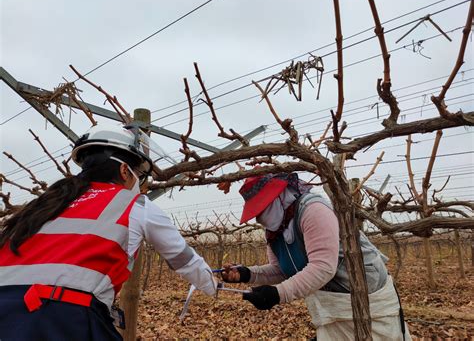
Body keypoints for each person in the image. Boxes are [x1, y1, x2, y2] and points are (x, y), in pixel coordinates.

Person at [0, 124, 216, 340]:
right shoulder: (134, 204)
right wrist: (214, 285)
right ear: (124, 170)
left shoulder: (44, 205)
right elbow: (183, 259)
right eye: (138, 175)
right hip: (63, 320)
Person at [222, 172, 411, 340]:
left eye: (262, 209)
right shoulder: (274, 231)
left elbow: (323, 267)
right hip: (331, 302)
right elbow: (282, 270)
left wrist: (277, 294)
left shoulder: (313, 210)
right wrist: (246, 274)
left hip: (366, 294)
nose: (259, 217)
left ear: (279, 196)